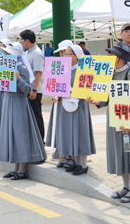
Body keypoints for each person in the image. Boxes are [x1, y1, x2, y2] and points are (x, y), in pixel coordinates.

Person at [86, 42, 130, 203]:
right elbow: (108, 97)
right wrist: (96, 101)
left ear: (121, 58)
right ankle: (126, 186)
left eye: (113, 54)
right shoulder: (111, 73)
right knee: (120, 153)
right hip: (113, 119)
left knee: (129, 154)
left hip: (127, 122)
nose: (110, 57)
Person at [0, 44, 46, 180]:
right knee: (11, 134)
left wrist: (18, 79)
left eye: (7, 53)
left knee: (20, 135)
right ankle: (16, 168)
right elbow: (4, 87)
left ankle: (22, 169)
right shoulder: (4, 67)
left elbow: (27, 89)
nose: (4, 55)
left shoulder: (21, 68)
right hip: (8, 102)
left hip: (19, 104)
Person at [51, 45, 96, 175]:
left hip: (79, 106)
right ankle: (74, 162)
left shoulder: (83, 70)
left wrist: (69, 93)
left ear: (77, 55)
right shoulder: (64, 69)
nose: (66, 56)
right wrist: (57, 96)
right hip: (65, 106)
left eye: (69, 54)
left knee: (80, 133)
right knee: (69, 133)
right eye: (65, 54)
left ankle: (82, 164)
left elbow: (86, 90)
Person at [46, 39, 74, 167]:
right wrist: (54, 95)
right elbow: (53, 84)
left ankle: (70, 157)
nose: (63, 55)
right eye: (61, 52)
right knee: (60, 130)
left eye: (65, 52)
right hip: (58, 103)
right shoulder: (58, 66)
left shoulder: (76, 68)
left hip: (71, 104)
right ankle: (62, 156)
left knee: (68, 130)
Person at [20, 29, 46, 144]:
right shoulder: (27, 53)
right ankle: (33, 139)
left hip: (34, 90)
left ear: (27, 40)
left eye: (22, 40)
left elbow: (39, 73)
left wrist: (34, 90)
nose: (21, 42)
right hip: (27, 89)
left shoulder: (37, 53)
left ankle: (40, 140)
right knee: (30, 115)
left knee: (36, 115)